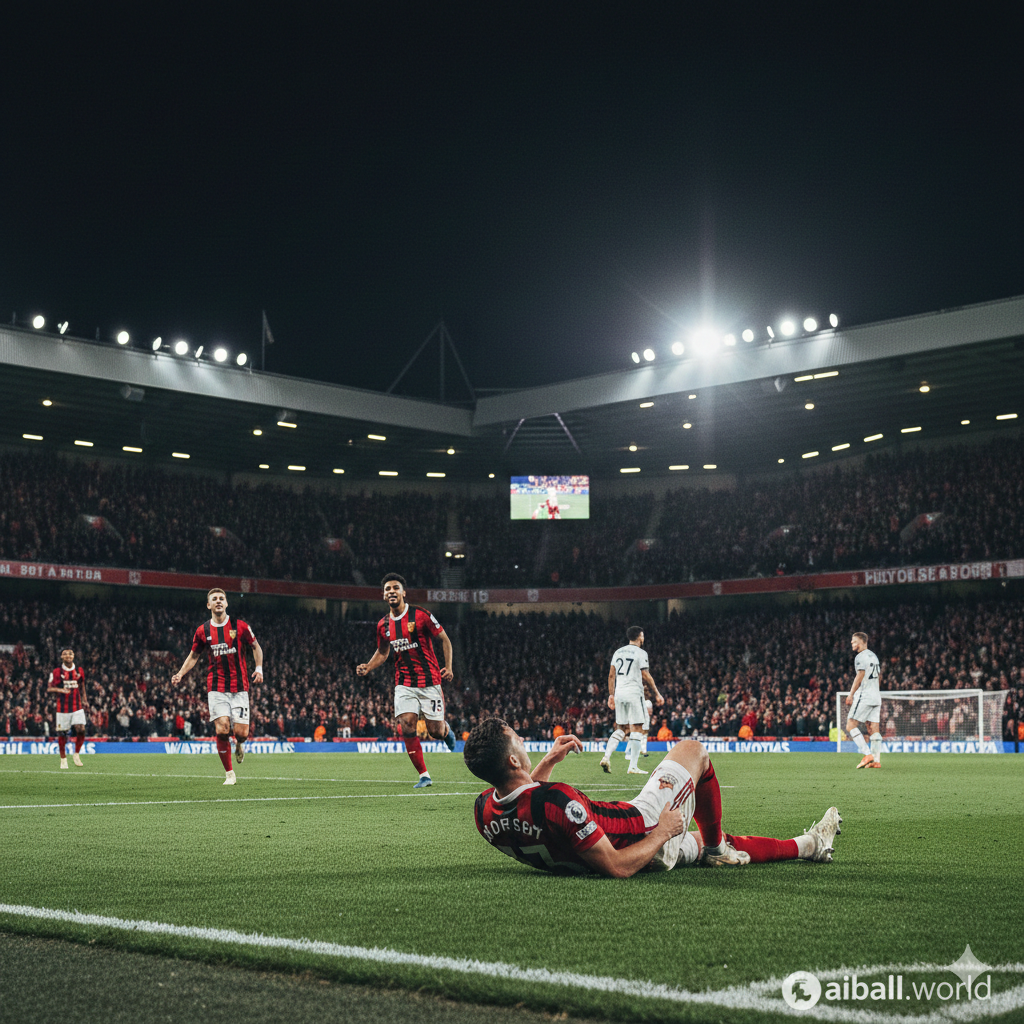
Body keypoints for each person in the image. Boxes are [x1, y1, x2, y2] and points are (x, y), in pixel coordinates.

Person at [465, 718, 842, 877]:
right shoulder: (559, 801)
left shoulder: (484, 810)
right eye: (516, 737)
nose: (521, 739)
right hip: (640, 828)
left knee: (720, 844)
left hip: (603, 848)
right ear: (514, 758)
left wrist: (547, 761)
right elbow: (615, 867)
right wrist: (661, 832)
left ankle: (809, 845)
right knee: (694, 750)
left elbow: (530, 808)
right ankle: (714, 848)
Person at [356, 572, 457, 788]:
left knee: (435, 731)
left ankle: (446, 731)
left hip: (430, 681)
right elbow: (383, 653)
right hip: (404, 684)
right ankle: (424, 775)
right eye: (387, 589)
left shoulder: (421, 615)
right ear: (383, 596)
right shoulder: (382, 625)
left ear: (403, 592)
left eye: (395, 588)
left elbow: (445, 639)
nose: (391, 592)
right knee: (407, 724)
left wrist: (448, 667)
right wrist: (368, 666)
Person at [171, 588, 263, 785]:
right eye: (215, 599)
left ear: (227, 603)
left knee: (241, 733)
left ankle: (239, 744)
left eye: (222, 598)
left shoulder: (240, 626)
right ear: (209, 605)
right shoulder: (202, 631)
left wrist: (259, 668)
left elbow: (256, 647)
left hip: (240, 687)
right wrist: (180, 673)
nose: (219, 601)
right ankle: (229, 773)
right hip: (216, 686)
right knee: (222, 729)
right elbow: (194, 656)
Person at [600, 626, 663, 775]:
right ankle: (633, 766)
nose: (643, 638)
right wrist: (657, 693)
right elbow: (645, 674)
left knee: (621, 728)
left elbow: (611, 675)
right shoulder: (641, 653)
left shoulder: (618, 652)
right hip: (634, 693)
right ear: (640, 637)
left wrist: (611, 695)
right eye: (643, 636)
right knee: (637, 729)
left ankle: (606, 756)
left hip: (619, 693)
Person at [846, 631, 882, 768]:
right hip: (876, 696)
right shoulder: (874, 656)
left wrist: (851, 694)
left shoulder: (860, 657)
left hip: (865, 695)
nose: (852, 643)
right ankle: (876, 761)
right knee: (874, 729)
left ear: (861, 642)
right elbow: (878, 676)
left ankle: (867, 754)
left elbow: (860, 675)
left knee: (850, 725)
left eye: (854, 641)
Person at [47, 648, 87, 769]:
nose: (68, 655)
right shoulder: (56, 672)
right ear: (62, 657)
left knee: (81, 729)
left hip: (77, 706)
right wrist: (60, 690)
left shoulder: (79, 670)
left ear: (73, 656)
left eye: (70, 653)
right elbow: (49, 688)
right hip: (62, 708)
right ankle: (63, 759)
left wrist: (85, 698)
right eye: (65, 654)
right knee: (62, 733)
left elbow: (82, 685)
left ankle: (76, 754)